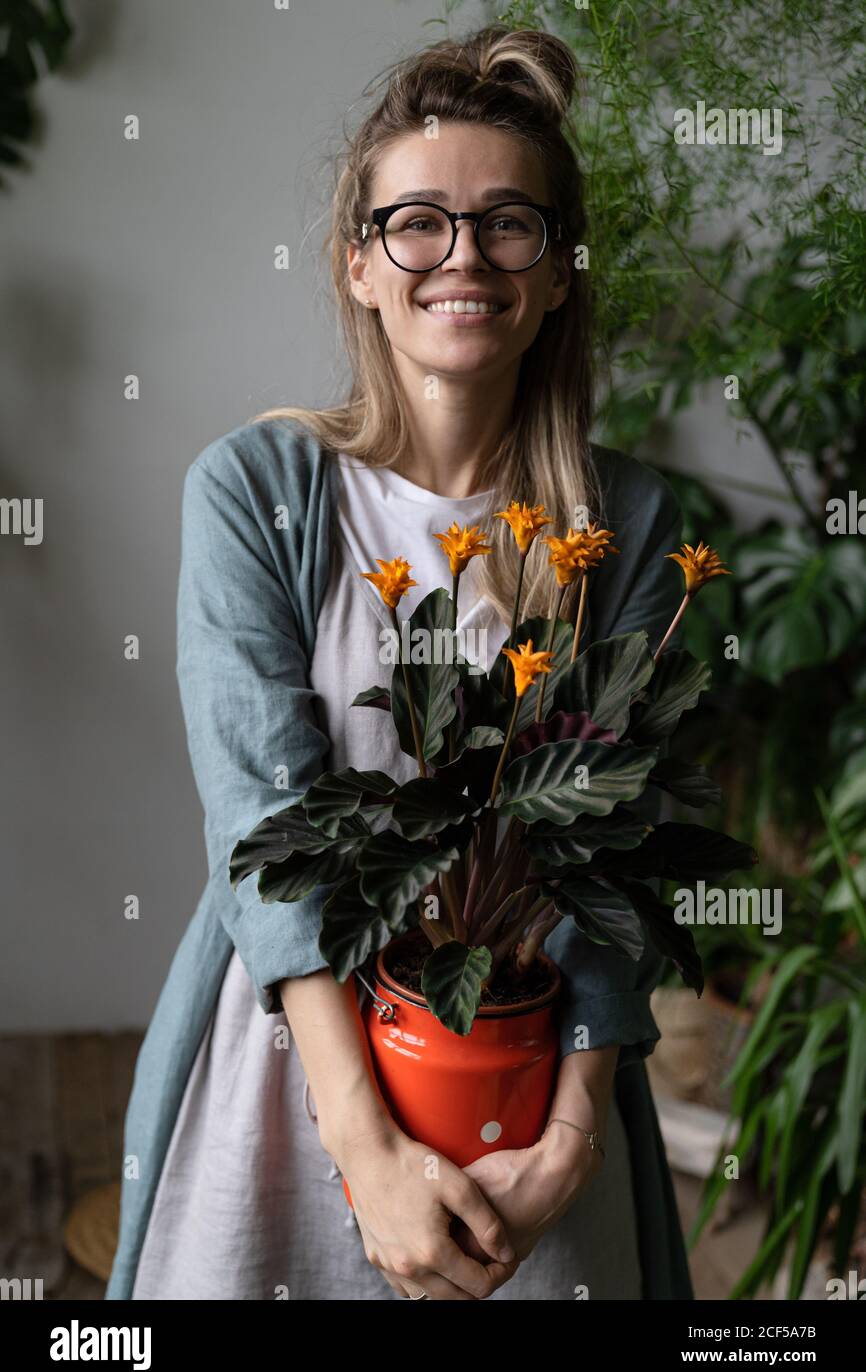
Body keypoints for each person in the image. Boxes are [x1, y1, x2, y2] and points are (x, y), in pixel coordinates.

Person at [106, 24, 694, 1302]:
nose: (462, 256)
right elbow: (259, 811)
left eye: (506, 224)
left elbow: (621, 849)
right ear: (358, 266)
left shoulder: (629, 522)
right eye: (416, 222)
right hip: (291, 1065)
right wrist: (363, 1147)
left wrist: (572, 1142)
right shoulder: (258, 490)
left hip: (534, 1088)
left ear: (552, 275)